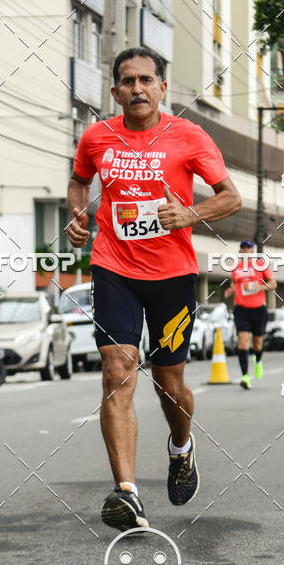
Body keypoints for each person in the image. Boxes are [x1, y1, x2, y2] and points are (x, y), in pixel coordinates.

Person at [66, 47, 241, 531]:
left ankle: (180, 446)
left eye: (147, 79)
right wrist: (78, 215)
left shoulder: (188, 136)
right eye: (128, 81)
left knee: (169, 381)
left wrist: (189, 213)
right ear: (115, 90)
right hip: (114, 268)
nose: (137, 88)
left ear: (162, 88)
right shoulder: (98, 137)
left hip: (173, 276)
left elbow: (231, 197)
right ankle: (127, 494)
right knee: (116, 369)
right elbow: (79, 180)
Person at [224, 240, 276, 389]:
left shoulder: (260, 265)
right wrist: (231, 289)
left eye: (248, 248)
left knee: (258, 344)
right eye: (243, 248)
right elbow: (235, 282)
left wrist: (260, 287)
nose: (246, 250)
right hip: (241, 310)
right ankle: (245, 377)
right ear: (240, 252)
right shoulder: (236, 268)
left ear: (252, 252)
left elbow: (273, 283)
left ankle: (258, 361)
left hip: (258, 309)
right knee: (243, 340)